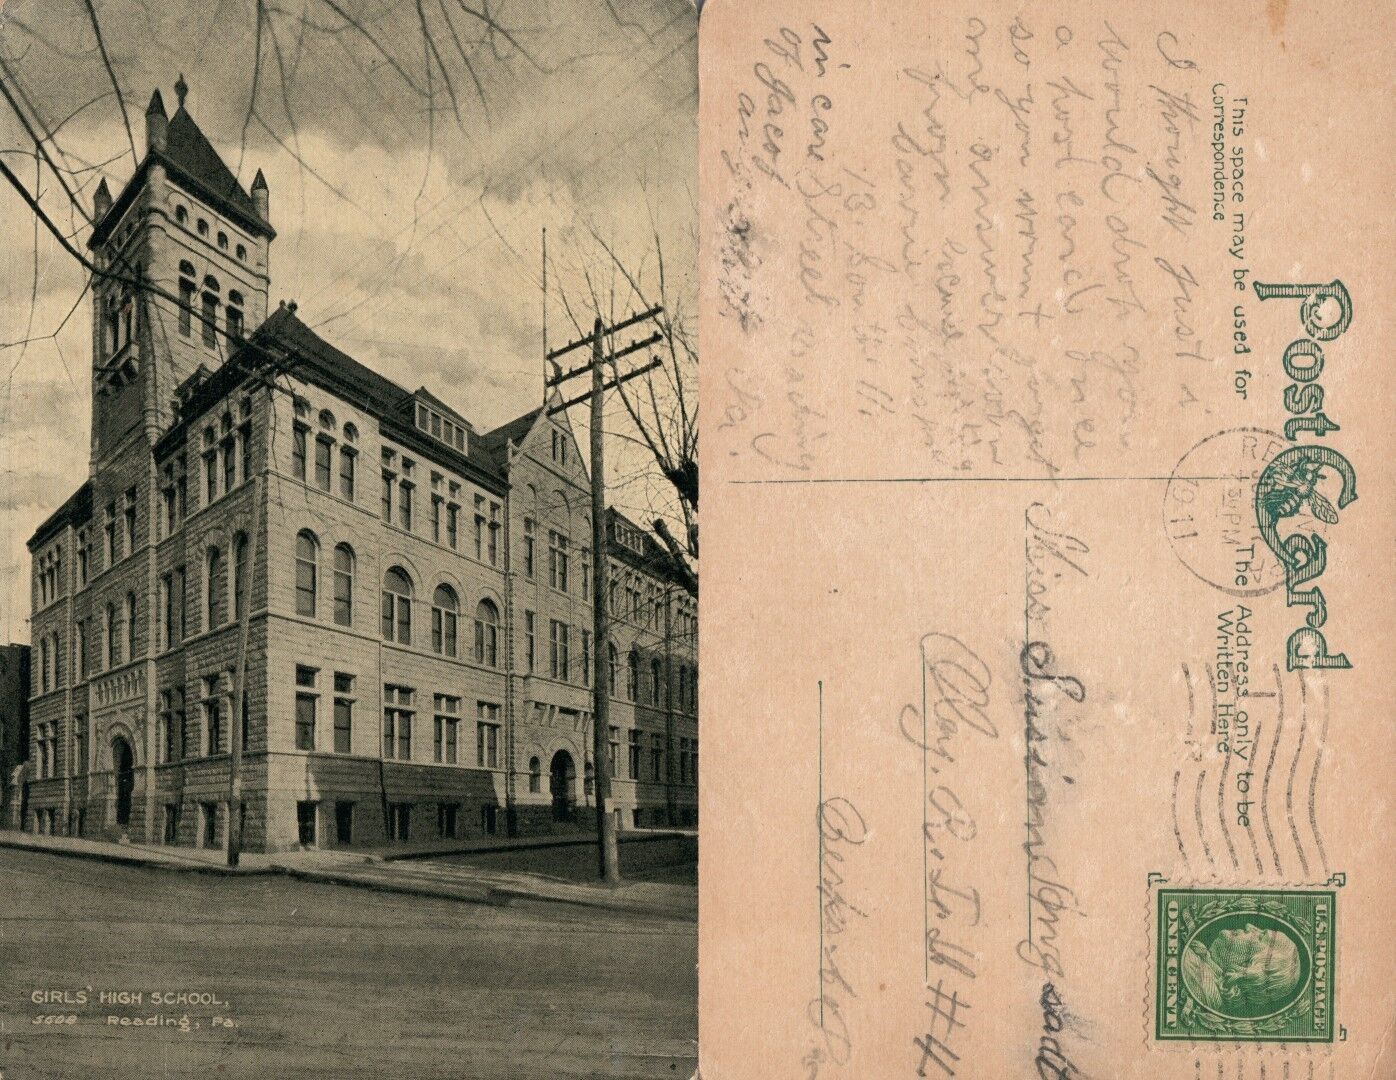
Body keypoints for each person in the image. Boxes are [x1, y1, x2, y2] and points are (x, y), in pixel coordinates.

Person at [1182, 922, 1302, 1016]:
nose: (1248, 926)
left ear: (1252, 969)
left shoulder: (1195, 972)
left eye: (1260, 935)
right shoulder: (1208, 969)